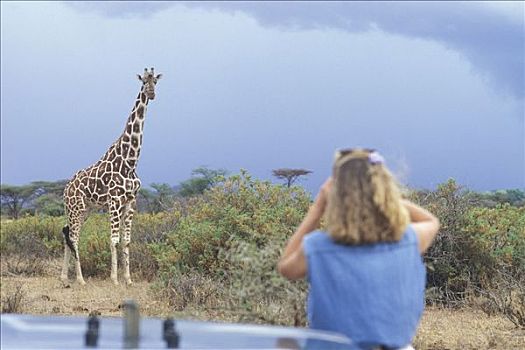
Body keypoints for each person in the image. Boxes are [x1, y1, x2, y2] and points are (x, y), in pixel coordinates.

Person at [278, 148, 440, 350]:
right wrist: (385, 198)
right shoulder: (408, 240)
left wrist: (317, 209)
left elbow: (286, 267)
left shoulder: (318, 247)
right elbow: (432, 221)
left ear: (335, 195)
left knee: (284, 345)